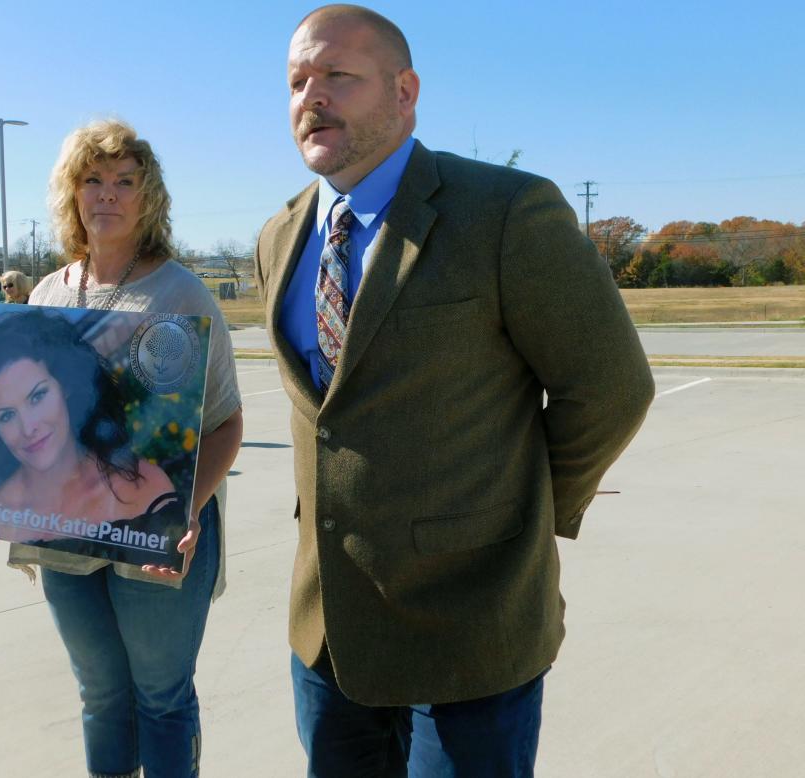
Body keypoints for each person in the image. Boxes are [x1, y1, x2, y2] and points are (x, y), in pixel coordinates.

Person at [254, 5, 655, 776]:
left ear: (404, 91)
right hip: (329, 627)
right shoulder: (280, 235)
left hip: (471, 618)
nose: (313, 95)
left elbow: (608, 388)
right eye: (298, 80)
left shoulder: (504, 212)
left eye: (338, 74)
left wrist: (529, 510)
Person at [0, 119, 242, 778]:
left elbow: (225, 424)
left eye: (124, 181)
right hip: (65, 538)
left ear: (147, 196)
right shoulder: (50, 292)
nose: (108, 195)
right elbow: (13, 420)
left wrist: (184, 510)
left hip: (155, 528)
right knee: (101, 697)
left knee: (160, 699)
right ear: (71, 193)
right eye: (93, 180)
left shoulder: (178, 292)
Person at [0, 308, 180, 557]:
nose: (28, 428)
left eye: (37, 396)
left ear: (67, 387)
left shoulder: (146, 487)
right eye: (7, 415)